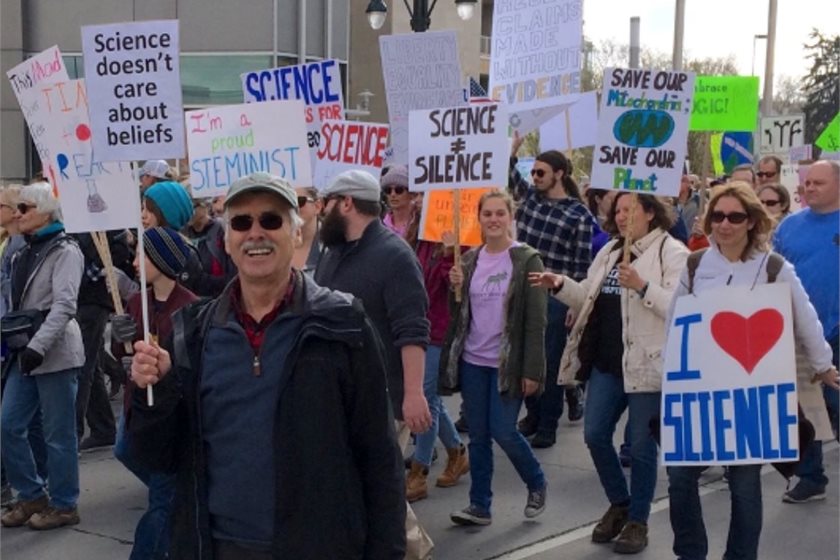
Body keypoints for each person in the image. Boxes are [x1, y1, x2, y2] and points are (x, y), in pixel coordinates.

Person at [127, 172, 406, 558]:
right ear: (227, 240)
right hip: (220, 547)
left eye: (271, 220)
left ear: (295, 233)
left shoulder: (342, 323)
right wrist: (151, 392)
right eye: (241, 222)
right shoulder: (193, 332)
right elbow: (157, 456)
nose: (255, 232)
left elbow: (379, 456)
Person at [666, 181, 839, 560]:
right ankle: (690, 552)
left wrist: (824, 365)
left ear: (751, 222)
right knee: (679, 477)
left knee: (744, 487)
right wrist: (669, 374)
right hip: (701, 394)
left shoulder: (774, 267)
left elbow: (805, 317)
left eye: (735, 217)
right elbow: (676, 323)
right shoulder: (695, 265)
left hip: (752, 398)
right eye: (718, 216)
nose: (724, 224)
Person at [531, 192, 688, 553]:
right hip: (607, 362)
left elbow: (680, 308)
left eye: (630, 209)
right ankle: (620, 502)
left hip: (648, 365)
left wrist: (643, 286)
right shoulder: (609, 251)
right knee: (595, 433)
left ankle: (638, 521)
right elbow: (587, 295)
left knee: (643, 449)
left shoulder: (671, 252)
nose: (621, 216)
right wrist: (560, 285)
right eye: (617, 210)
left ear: (650, 213)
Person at [314, 169, 433, 559]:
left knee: (377, 488)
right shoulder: (332, 254)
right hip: (341, 395)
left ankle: (412, 552)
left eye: (327, 202)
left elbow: (412, 330)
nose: (321, 209)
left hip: (388, 397)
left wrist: (414, 394)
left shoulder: (395, 256)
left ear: (346, 203)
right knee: (369, 486)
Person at [441, 190, 548, 526]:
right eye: (487, 214)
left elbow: (536, 320)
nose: (494, 220)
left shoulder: (527, 260)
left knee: (504, 430)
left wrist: (532, 370)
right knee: (479, 434)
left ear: (510, 217)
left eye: (500, 213)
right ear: (479, 218)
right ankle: (479, 505)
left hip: (508, 363)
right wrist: (454, 288)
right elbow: (459, 315)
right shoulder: (470, 260)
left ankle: (536, 482)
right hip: (474, 360)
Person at [0, 182, 85, 530]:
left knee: (57, 433)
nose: (18, 215)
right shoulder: (23, 251)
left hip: (55, 352)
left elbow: (64, 305)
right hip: (25, 351)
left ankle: (65, 503)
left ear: (46, 211)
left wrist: (37, 346)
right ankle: (32, 493)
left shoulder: (65, 250)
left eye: (25, 208)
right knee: (8, 423)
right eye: (16, 208)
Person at [110, 226, 197, 560]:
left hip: (168, 420)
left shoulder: (188, 307)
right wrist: (122, 339)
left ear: (161, 260)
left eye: (140, 255)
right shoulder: (137, 301)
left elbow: (186, 366)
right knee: (125, 451)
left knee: (161, 501)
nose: (133, 262)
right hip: (138, 412)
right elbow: (123, 354)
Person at [508, 134, 594, 448]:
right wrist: (513, 150)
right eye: (534, 173)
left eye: (541, 173)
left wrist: (574, 302)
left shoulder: (578, 214)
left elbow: (582, 264)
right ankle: (531, 414)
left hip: (556, 295)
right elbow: (508, 176)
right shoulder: (530, 199)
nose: (535, 178)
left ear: (559, 174)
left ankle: (548, 423)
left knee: (550, 359)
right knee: (523, 356)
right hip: (523, 288)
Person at [774, 160, 840, 504]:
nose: (809, 188)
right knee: (806, 408)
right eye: (806, 182)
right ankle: (812, 477)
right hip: (797, 330)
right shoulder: (789, 226)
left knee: (836, 402)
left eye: (818, 182)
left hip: (838, 330)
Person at [404, 228, 469, 503]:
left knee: (426, 396)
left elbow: (455, 288)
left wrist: (449, 253)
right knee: (431, 398)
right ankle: (456, 451)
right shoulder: (418, 238)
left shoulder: (458, 241)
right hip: (415, 325)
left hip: (438, 330)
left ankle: (419, 471)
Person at [181, 194, 236, 297]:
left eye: (192, 206)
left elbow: (232, 275)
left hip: (219, 298)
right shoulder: (183, 234)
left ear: (204, 206)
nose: (188, 211)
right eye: (184, 207)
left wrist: (202, 279)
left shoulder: (221, 229)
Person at [290, 186, 323, 275]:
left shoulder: (333, 245)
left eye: (299, 201)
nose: (294, 208)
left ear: (317, 206)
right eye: (288, 204)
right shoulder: (277, 245)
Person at [381, 165, 418, 237]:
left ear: (411, 194)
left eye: (399, 190)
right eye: (388, 190)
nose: (393, 194)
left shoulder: (421, 223)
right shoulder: (380, 224)